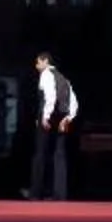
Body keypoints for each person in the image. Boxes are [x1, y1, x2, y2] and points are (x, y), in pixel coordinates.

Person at [29, 50, 77, 201]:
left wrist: (45, 116)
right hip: (62, 117)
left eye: (38, 62)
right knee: (59, 154)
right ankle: (59, 193)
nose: (36, 66)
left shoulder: (46, 75)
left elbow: (50, 96)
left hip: (49, 117)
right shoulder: (64, 79)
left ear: (45, 61)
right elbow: (74, 101)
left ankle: (36, 192)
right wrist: (68, 118)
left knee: (40, 153)